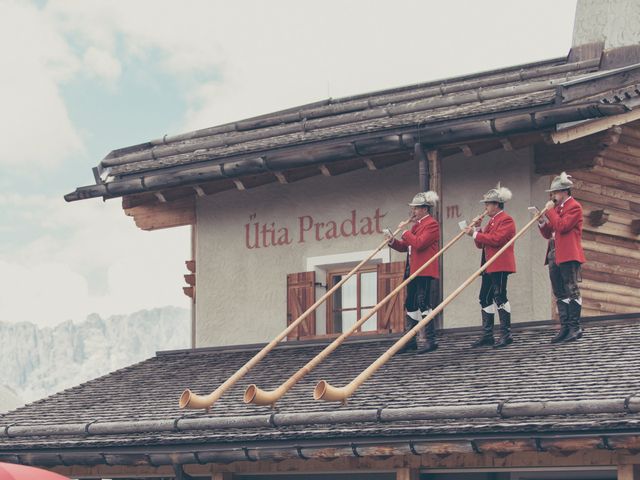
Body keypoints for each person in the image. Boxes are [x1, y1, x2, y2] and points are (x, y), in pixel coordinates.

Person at [385, 191, 440, 354]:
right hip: (412, 269)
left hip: (423, 270)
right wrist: (393, 241)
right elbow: (407, 246)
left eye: (415, 209)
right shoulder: (416, 226)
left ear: (424, 209)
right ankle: (411, 340)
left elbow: (419, 243)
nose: (413, 212)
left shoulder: (431, 224)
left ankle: (430, 339)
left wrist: (404, 232)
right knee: (410, 304)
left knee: (423, 302)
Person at [464, 185, 516, 349]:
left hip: (500, 264)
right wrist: (478, 228)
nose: (485, 207)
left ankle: (505, 334)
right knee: (484, 297)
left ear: (496, 204)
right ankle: (487, 335)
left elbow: (496, 240)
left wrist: (474, 233)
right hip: (488, 264)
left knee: (499, 295)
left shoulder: (506, 220)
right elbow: (481, 244)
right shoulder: (492, 221)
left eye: (487, 204)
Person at [538, 172, 586, 343]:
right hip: (553, 251)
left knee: (571, 288)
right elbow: (549, 231)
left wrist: (550, 212)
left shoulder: (574, 206)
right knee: (559, 291)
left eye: (555, 193)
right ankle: (565, 327)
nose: (553, 196)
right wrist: (542, 221)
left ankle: (575, 327)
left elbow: (562, 226)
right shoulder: (557, 209)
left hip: (568, 252)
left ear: (564, 191)